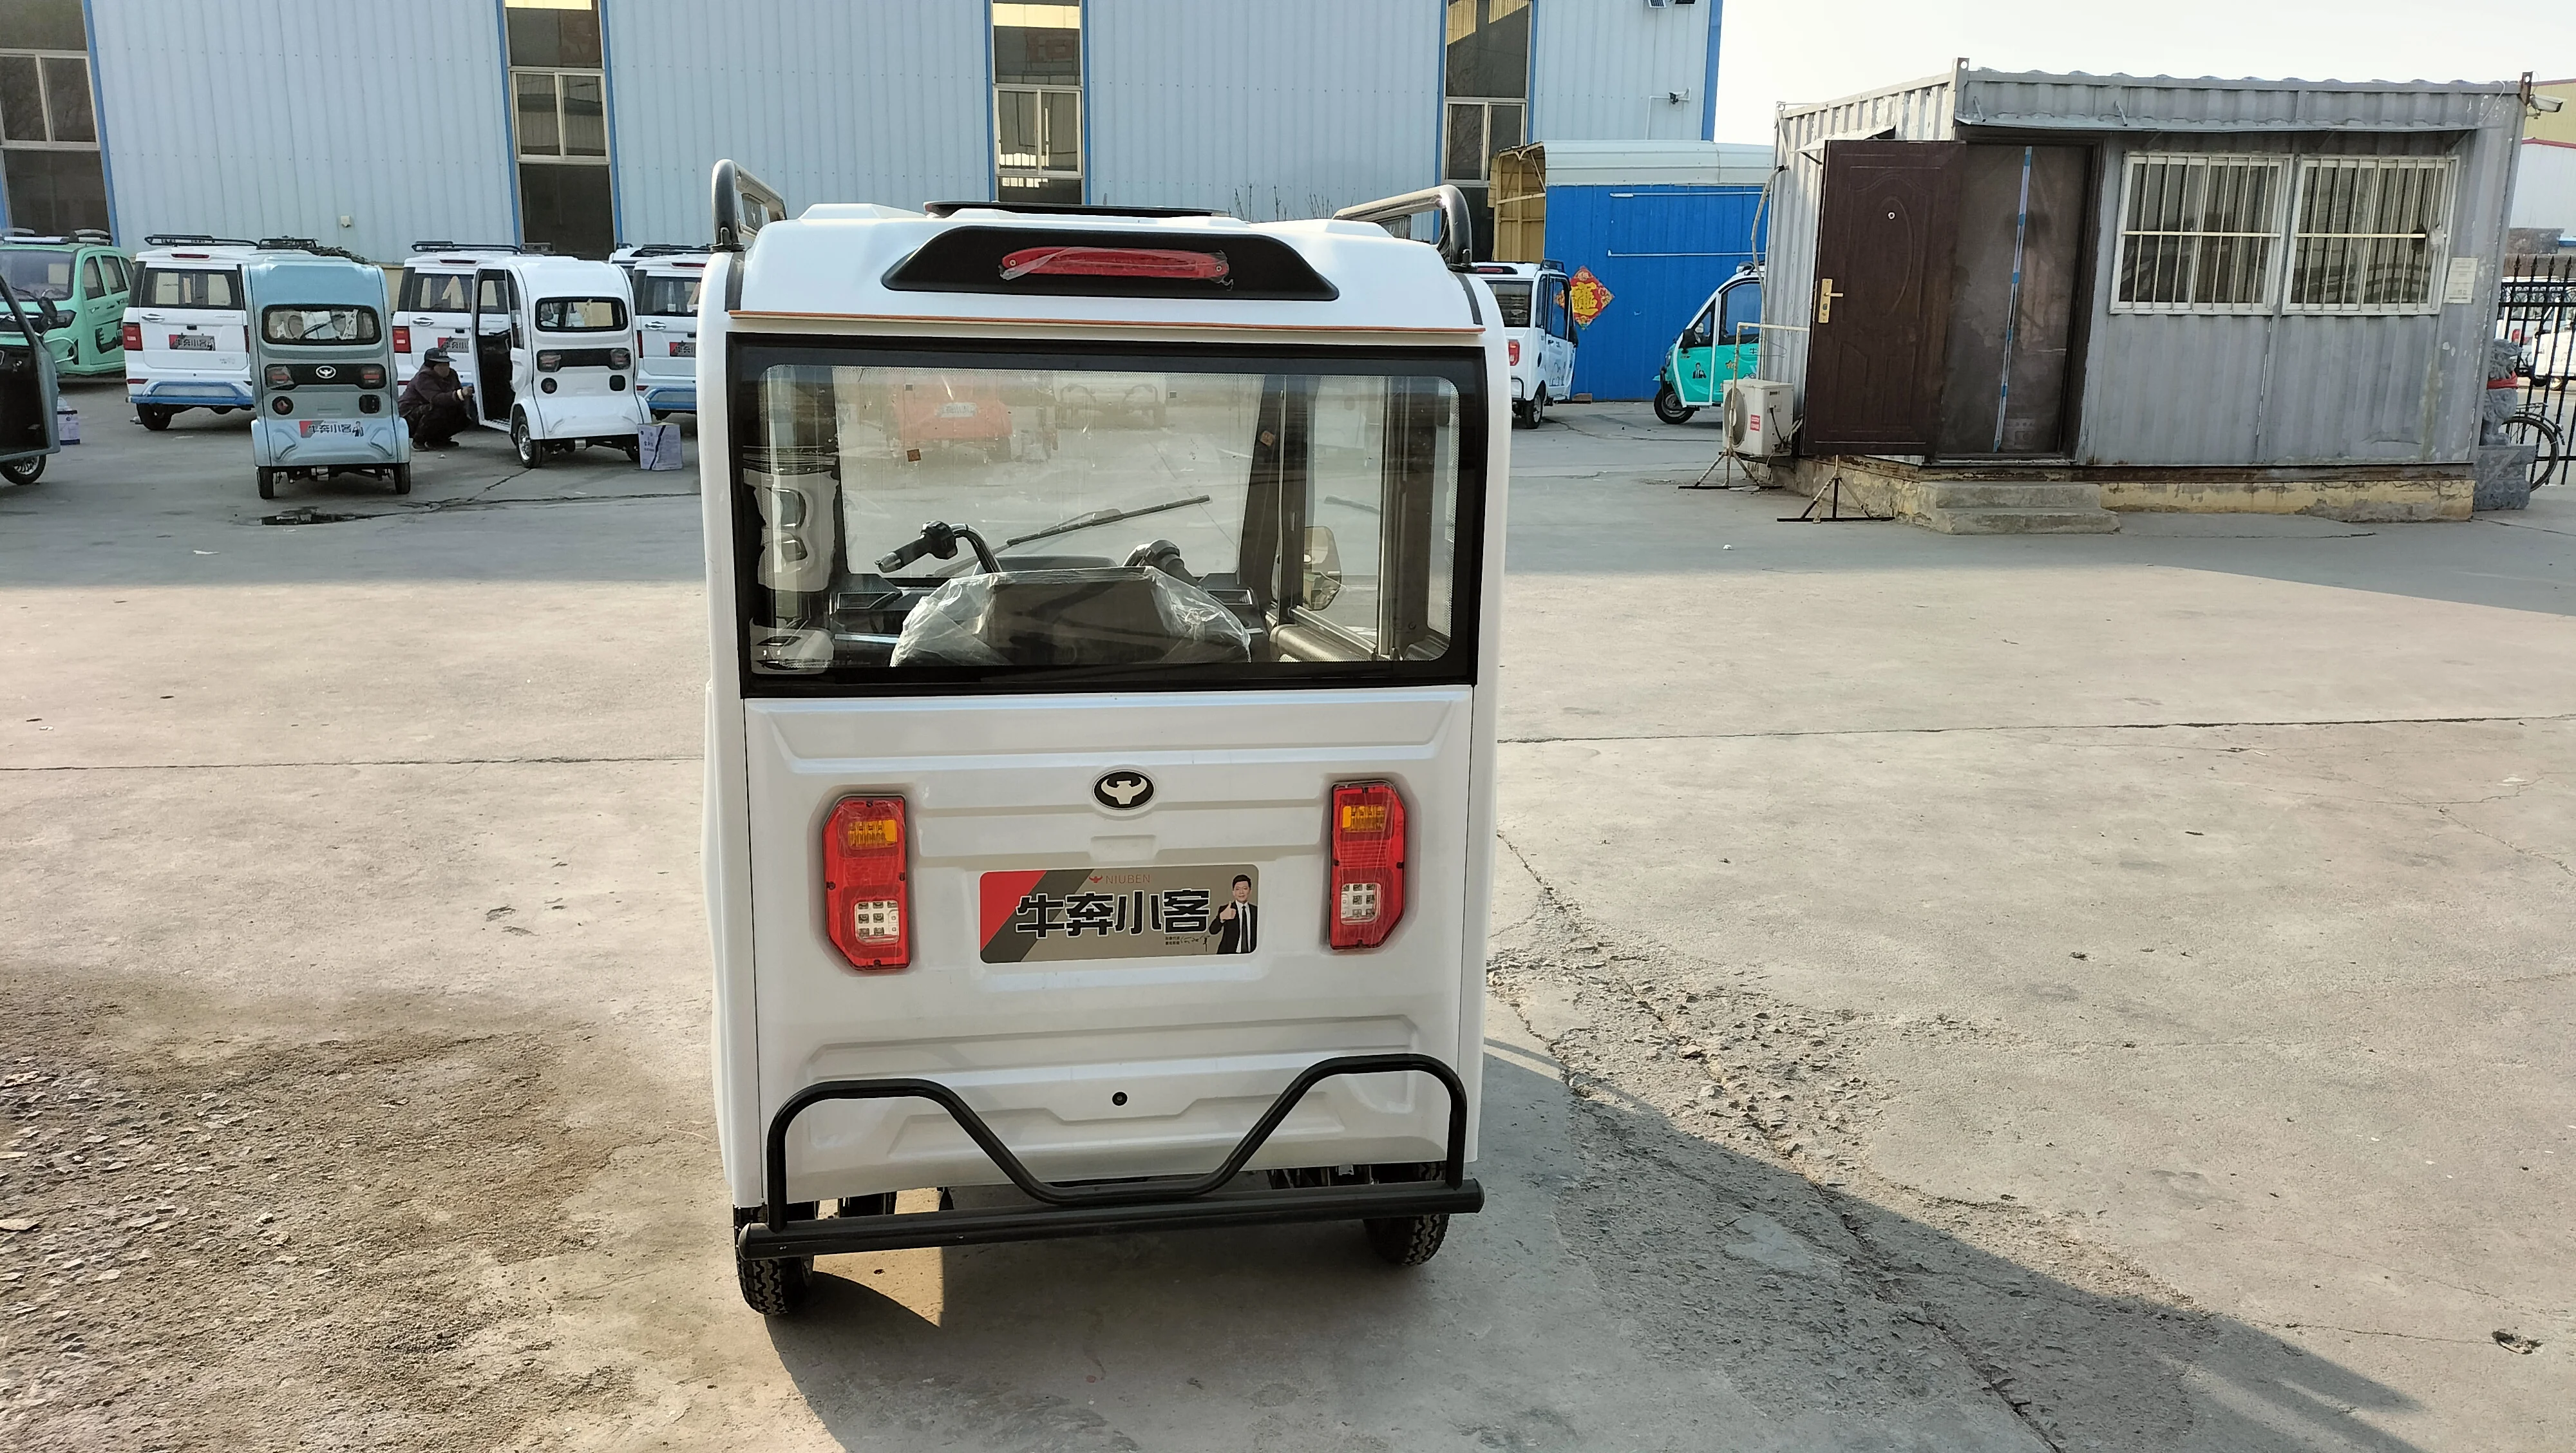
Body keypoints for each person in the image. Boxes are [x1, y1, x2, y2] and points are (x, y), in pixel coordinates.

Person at [399, 348, 475, 448]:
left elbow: (457, 394)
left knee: (464, 414)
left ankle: (438, 440)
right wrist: (460, 394)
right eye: (441, 365)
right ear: (432, 366)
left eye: (447, 364)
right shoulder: (423, 377)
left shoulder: (452, 374)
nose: (446, 368)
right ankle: (419, 440)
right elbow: (436, 399)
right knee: (437, 408)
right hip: (410, 416)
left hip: (430, 411)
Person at [1214, 874, 1258, 954]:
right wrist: (1221, 918)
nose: (1241, 892)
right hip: (1230, 955)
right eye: (1237, 889)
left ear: (1250, 891)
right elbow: (1213, 931)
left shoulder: (1256, 911)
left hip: (1252, 956)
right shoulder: (1226, 909)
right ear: (1233, 892)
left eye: (1245, 889)